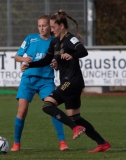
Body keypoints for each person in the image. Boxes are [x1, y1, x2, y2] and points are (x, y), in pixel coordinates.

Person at [21, 10, 111, 153]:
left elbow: (83, 51)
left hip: (72, 81)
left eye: (53, 27)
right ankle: (102, 143)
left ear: (61, 26)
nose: (51, 30)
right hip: (69, 82)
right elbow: (46, 60)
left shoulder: (70, 38)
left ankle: (75, 129)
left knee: (47, 105)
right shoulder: (55, 41)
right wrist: (29, 65)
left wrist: (72, 55)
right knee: (75, 117)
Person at [11, 14, 69, 152]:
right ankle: (16, 143)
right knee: (22, 111)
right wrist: (24, 61)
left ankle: (62, 142)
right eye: (39, 26)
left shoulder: (55, 42)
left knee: (52, 108)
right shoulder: (30, 38)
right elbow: (17, 56)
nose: (41, 28)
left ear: (50, 26)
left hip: (46, 80)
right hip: (29, 79)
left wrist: (56, 64)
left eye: (44, 26)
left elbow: (59, 62)